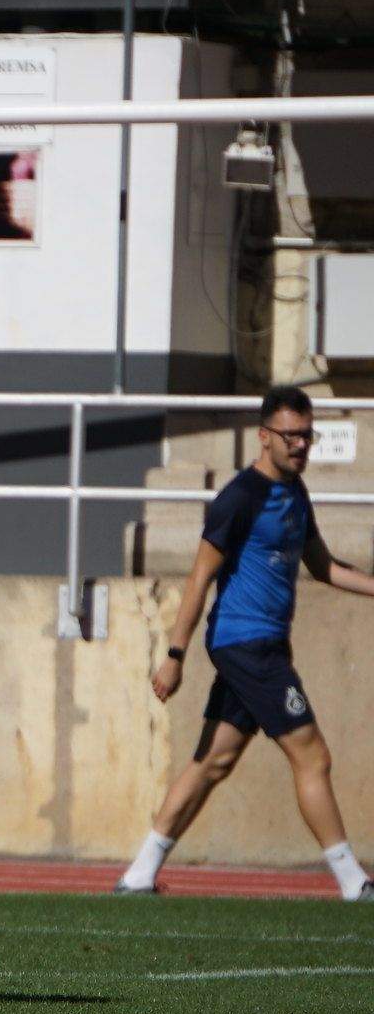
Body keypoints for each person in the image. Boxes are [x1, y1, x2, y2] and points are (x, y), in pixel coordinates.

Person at [116, 386, 373, 901]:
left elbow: (321, 567)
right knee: (312, 755)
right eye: (290, 436)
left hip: (267, 647)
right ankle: (353, 881)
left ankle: (139, 874)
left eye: (307, 435)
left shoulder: (296, 494)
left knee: (213, 761)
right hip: (246, 645)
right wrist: (174, 656)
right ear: (263, 436)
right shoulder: (240, 498)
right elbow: (197, 579)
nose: (301, 445)